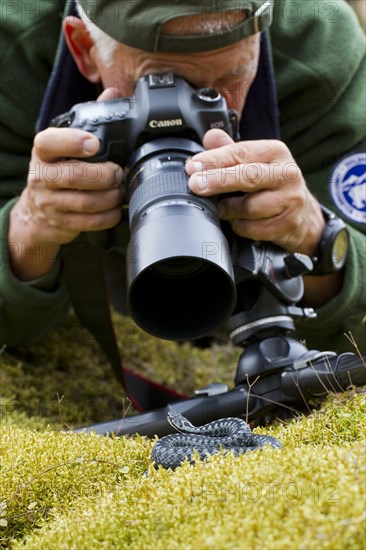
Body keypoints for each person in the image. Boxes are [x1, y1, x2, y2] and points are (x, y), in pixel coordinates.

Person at [0, 0, 365, 361]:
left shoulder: (319, 49)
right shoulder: (11, 56)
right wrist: (27, 230)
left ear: (261, 40)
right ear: (83, 47)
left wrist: (315, 239)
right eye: (159, 85)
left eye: (229, 78)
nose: (189, 114)